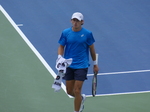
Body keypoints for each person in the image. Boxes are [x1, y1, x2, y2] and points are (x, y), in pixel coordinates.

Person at [57, 12, 99, 112]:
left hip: (82, 65)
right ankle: (80, 98)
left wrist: (95, 64)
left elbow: (92, 49)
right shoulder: (65, 32)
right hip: (69, 65)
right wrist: (59, 57)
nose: (75, 23)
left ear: (82, 22)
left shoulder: (88, 34)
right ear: (71, 21)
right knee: (69, 91)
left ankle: (77, 110)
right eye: (74, 20)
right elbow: (61, 46)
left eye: (77, 21)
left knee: (77, 90)